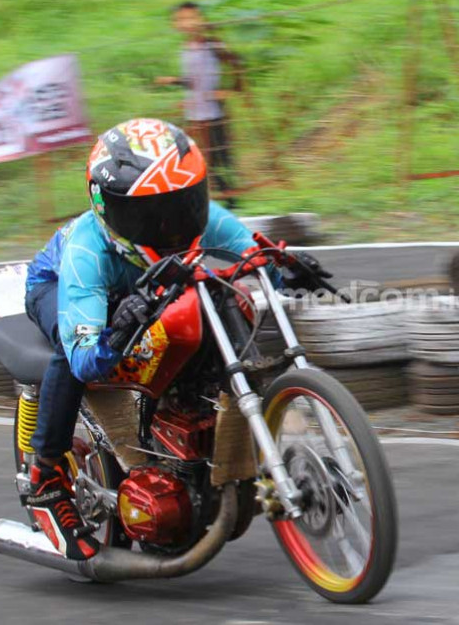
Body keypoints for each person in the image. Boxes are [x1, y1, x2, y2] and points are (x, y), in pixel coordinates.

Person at [21, 118, 327, 559]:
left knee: (221, 303)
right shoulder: (87, 251)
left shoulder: (203, 222)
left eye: (184, 205)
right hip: (63, 288)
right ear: (109, 209)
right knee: (69, 357)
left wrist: (289, 269)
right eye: (151, 215)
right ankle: (45, 478)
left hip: (153, 285)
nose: (173, 226)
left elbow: (256, 258)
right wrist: (119, 326)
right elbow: (87, 357)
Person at [155, 2, 242, 208]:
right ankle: (211, 198)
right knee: (199, 156)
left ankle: (231, 199)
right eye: (181, 19)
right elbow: (193, 80)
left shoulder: (212, 45)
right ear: (175, 24)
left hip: (214, 112)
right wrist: (174, 81)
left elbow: (237, 63)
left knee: (221, 155)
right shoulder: (186, 49)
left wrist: (229, 90)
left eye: (192, 18)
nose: (187, 23)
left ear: (202, 19)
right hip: (195, 112)